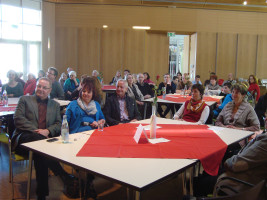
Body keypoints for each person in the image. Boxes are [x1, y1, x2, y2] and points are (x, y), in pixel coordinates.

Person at [11, 77, 74, 200]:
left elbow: (57, 123)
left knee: (40, 153)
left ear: (50, 90)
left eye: (44, 87)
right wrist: (39, 131)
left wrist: (48, 131)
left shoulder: (54, 105)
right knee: (41, 145)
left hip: (44, 143)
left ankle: (42, 195)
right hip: (24, 138)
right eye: (39, 86)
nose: (41, 89)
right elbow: (18, 119)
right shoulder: (25, 99)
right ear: (36, 87)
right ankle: (63, 175)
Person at [214, 132, 267, 197]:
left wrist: (229, 160)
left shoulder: (265, 141)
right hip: (246, 171)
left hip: (243, 183)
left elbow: (235, 164)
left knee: (203, 182)